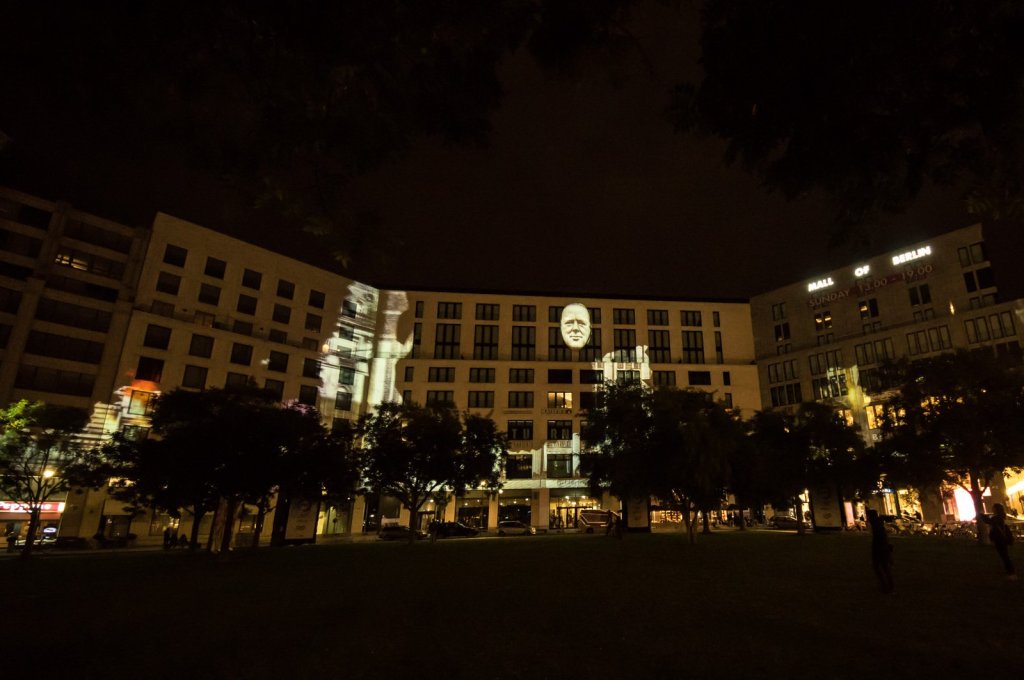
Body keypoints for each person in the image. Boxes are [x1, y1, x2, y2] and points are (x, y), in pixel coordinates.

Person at [978, 503, 1017, 580]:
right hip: (1000, 539)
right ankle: (1010, 572)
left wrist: (981, 514)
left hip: (1000, 539)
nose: (992, 509)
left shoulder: (997, 517)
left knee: (1004, 556)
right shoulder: (1000, 517)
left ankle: (1011, 573)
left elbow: (988, 521)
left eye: (993, 508)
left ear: (996, 509)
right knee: (1004, 556)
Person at [866, 510, 894, 594]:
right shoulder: (878, 523)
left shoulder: (875, 525)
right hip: (882, 548)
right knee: (884, 567)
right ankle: (888, 584)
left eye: (868, 516)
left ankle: (885, 585)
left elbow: (879, 538)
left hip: (879, 549)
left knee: (879, 567)